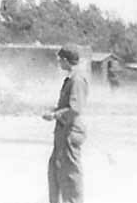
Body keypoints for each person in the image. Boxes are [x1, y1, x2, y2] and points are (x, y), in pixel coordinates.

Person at [42, 44, 89, 203]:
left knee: (69, 176)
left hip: (69, 132)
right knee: (56, 173)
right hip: (63, 132)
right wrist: (55, 110)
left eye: (60, 59)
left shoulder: (77, 80)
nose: (59, 63)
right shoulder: (71, 79)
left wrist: (55, 115)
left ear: (65, 60)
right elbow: (68, 105)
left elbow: (75, 109)